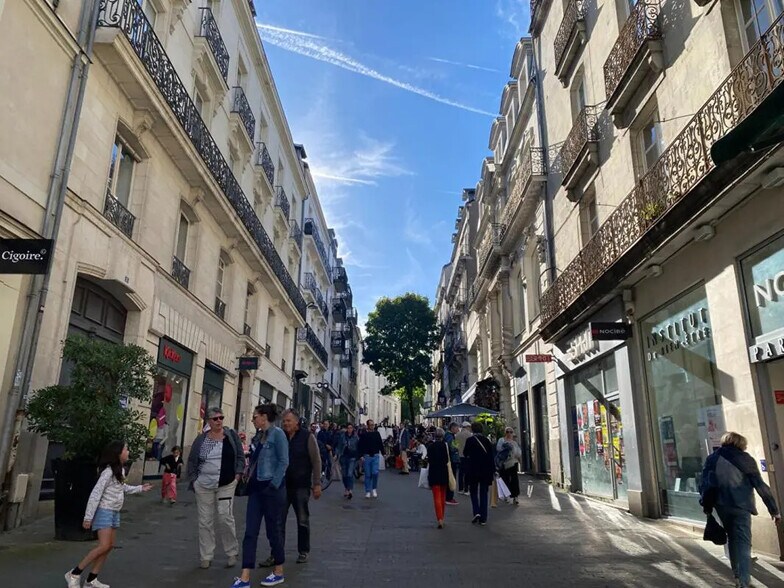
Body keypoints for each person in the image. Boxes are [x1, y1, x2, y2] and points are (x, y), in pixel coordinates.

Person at [65, 441, 152, 588]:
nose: (128, 452)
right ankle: (74, 573)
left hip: (114, 511)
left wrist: (139, 488)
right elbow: (96, 493)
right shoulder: (108, 472)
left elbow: (121, 487)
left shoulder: (119, 471)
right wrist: (88, 517)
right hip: (104, 511)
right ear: (118, 453)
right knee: (103, 545)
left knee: (109, 546)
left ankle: (91, 579)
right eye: (126, 449)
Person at [700, 431, 781, 588]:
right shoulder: (745, 459)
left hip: (720, 505)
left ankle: (737, 575)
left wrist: (706, 505)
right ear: (740, 444)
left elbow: (705, 483)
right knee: (743, 542)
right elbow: (760, 485)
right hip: (740, 505)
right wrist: (774, 510)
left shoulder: (712, 458)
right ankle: (743, 582)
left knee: (732, 538)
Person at [232, 404, 289, 588]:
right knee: (250, 532)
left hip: (271, 489)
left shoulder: (278, 434)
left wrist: (274, 484)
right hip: (256, 489)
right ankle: (245, 576)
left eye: (255, 416)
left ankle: (279, 570)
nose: (253, 419)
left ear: (264, 417)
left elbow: (283, 461)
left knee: (273, 531)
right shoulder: (260, 436)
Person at [259, 410, 321, 567]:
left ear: (297, 422)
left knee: (302, 520)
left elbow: (316, 461)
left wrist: (317, 483)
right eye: (284, 421)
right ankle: (276, 554)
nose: (286, 424)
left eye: (288, 421)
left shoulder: (307, 437)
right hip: (282, 485)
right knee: (278, 521)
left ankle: (303, 551)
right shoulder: (279, 436)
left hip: (301, 486)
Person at [187, 407, 245, 570]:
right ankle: (206, 555)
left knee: (225, 517)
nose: (219, 421)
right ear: (209, 422)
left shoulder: (230, 437)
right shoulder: (201, 440)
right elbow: (192, 460)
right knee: (205, 521)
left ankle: (232, 552)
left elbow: (240, 456)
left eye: (221, 418)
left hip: (226, 484)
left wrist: (238, 475)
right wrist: (194, 479)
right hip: (204, 485)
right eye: (215, 419)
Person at [463, 421, 495, 526]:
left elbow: (465, 453)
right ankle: (483, 518)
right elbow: (491, 457)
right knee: (483, 493)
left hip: (473, 470)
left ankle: (476, 511)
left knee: (473, 491)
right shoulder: (487, 441)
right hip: (485, 471)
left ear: (472, 429)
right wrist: (493, 471)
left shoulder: (470, 440)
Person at [426, 428, 451, 529]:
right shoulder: (445, 446)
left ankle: (439, 518)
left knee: (436, 496)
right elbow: (447, 460)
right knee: (443, 496)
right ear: (443, 436)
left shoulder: (430, 447)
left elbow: (429, 460)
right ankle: (442, 517)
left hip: (433, 473)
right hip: (444, 473)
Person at [358, 419, 384, 498]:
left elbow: (380, 443)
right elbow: (360, 445)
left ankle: (374, 488)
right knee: (368, 474)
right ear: (368, 426)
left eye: (373, 425)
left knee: (375, 472)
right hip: (367, 456)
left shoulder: (377, 434)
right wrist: (361, 455)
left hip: (375, 455)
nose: (372, 426)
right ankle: (368, 491)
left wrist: (384, 453)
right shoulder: (364, 434)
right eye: (371, 425)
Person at [496, 427, 522, 505]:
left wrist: (513, 449)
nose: (509, 433)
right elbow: (498, 448)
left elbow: (518, 453)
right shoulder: (501, 440)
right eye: (507, 432)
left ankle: (515, 496)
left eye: (511, 432)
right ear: (505, 432)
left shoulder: (514, 443)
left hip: (513, 463)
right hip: (504, 463)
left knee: (514, 479)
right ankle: (507, 495)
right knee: (504, 479)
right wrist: (506, 446)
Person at [336, 422, 360, 499]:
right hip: (343, 456)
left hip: (352, 457)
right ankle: (346, 487)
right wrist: (337, 454)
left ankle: (350, 490)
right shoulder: (342, 436)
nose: (349, 430)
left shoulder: (355, 437)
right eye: (348, 428)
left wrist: (359, 456)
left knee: (350, 473)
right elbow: (339, 446)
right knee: (344, 474)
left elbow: (358, 447)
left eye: (351, 428)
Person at [444, 423, 461, 505]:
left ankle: (448, 496)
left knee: (450, 478)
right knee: (451, 478)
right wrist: (457, 445)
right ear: (453, 428)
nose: (458, 430)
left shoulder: (448, 435)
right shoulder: (450, 436)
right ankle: (449, 497)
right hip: (451, 460)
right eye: (457, 428)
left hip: (450, 460)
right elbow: (453, 448)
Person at [456, 422, 472, 496]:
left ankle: (460, 489)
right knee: (467, 473)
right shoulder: (469, 435)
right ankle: (466, 489)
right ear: (467, 427)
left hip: (460, 455)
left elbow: (455, 445)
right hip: (468, 456)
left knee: (461, 473)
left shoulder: (457, 435)